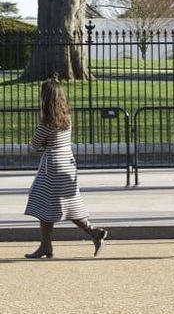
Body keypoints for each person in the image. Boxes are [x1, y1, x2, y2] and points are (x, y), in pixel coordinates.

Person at [23, 80, 109, 259]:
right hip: (68, 163)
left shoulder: (47, 122)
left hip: (52, 166)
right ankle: (93, 232)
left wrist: (43, 142)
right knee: (67, 203)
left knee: (42, 202)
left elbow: (33, 144)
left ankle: (46, 245)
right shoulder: (66, 118)